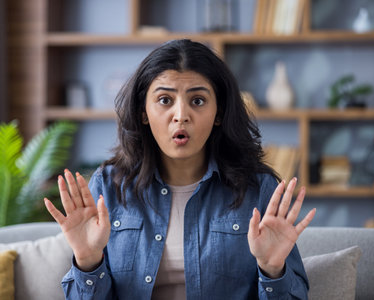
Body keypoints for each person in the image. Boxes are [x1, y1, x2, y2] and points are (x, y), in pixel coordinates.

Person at [44, 39, 316, 300]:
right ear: (143, 112)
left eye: (197, 101)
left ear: (219, 113)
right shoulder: (107, 187)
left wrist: (272, 269)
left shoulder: (259, 189)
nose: (181, 115)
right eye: (165, 100)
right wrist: (88, 261)